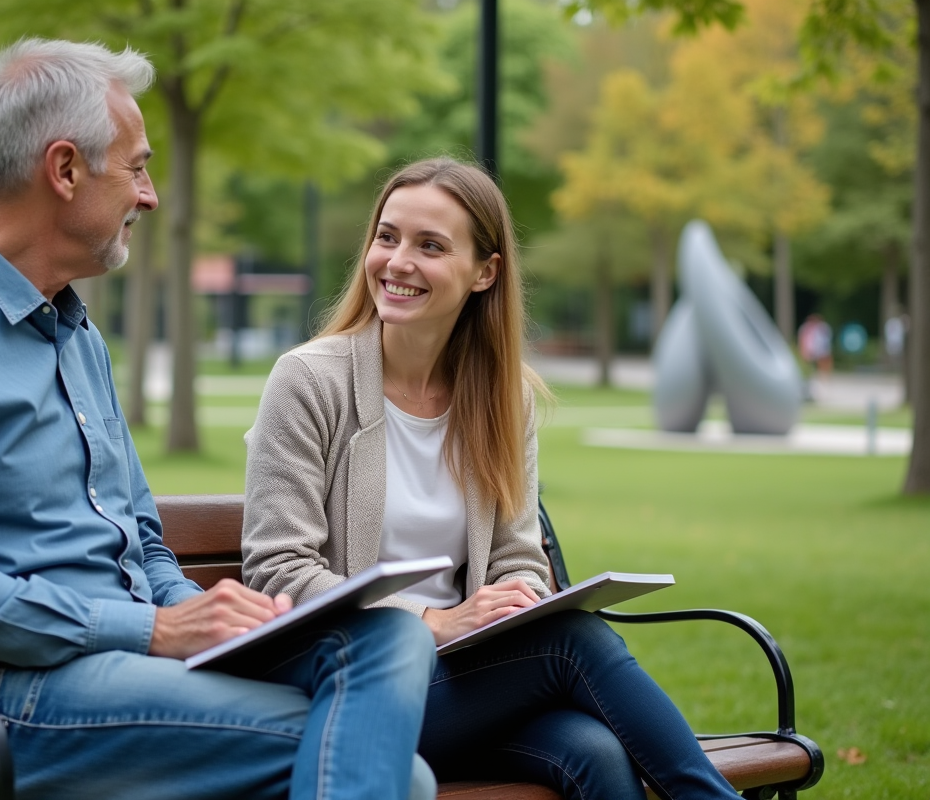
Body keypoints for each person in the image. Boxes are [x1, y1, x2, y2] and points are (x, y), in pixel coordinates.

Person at [0, 39, 438, 800]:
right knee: (393, 775)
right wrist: (155, 631)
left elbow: (140, 544)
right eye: (137, 166)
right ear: (65, 169)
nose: (149, 195)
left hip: (122, 679)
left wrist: (210, 615)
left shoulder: (77, 337)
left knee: (388, 636)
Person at [242, 157, 743, 799]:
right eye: (387, 237)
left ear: (485, 272)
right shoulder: (309, 381)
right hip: (349, 683)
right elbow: (279, 569)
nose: (397, 262)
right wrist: (431, 622)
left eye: (430, 246)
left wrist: (515, 603)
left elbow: (517, 556)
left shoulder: (504, 398)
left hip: (464, 680)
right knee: (573, 642)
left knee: (595, 754)